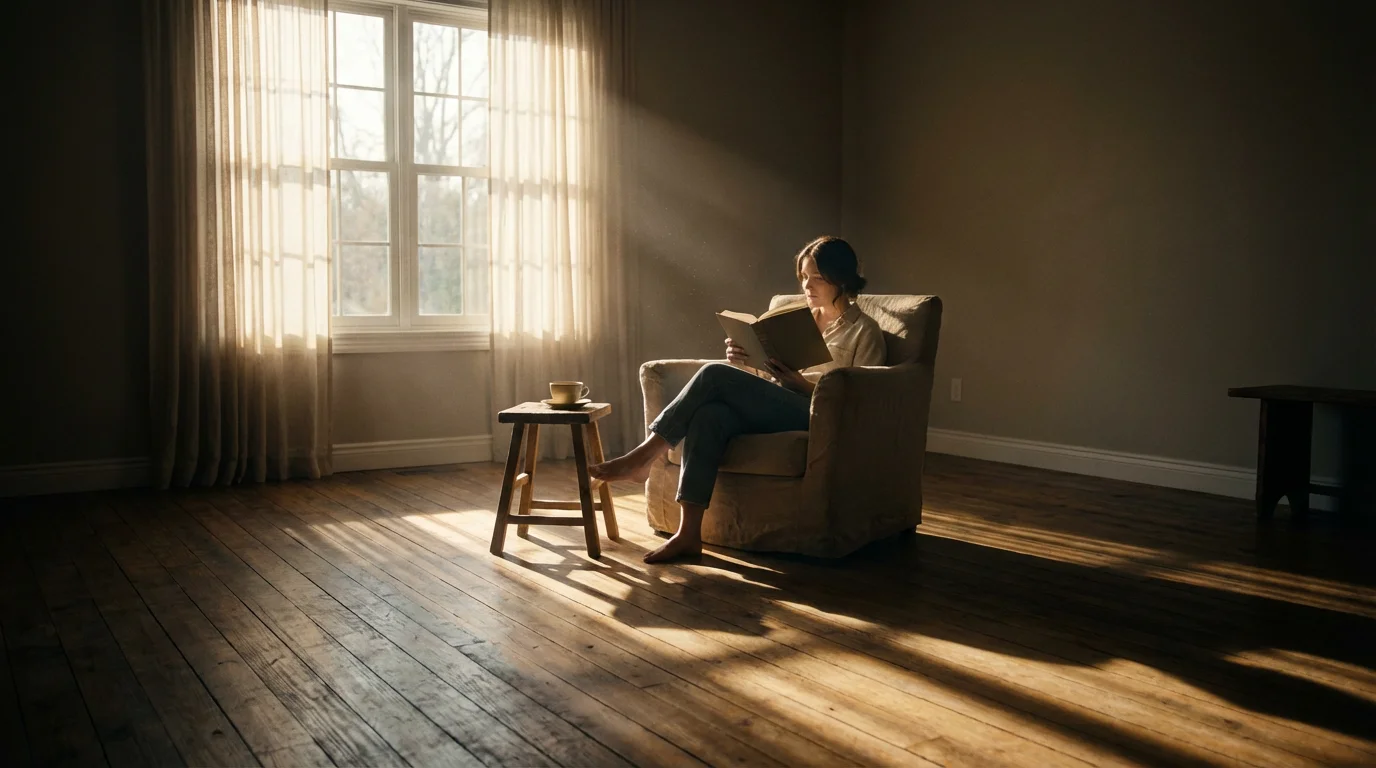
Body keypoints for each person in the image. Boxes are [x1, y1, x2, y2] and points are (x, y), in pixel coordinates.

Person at [589, 236, 888, 563]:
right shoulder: (794, 318)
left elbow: (861, 401)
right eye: (803, 276)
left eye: (817, 277)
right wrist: (744, 361)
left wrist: (801, 384)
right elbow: (766, 378)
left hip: (815, 412)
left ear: (841, 278)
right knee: (710, 416)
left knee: (714, 375)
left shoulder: (864, 331)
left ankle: (644, 456)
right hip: (776, 403)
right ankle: (688, 534)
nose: (807, 285)